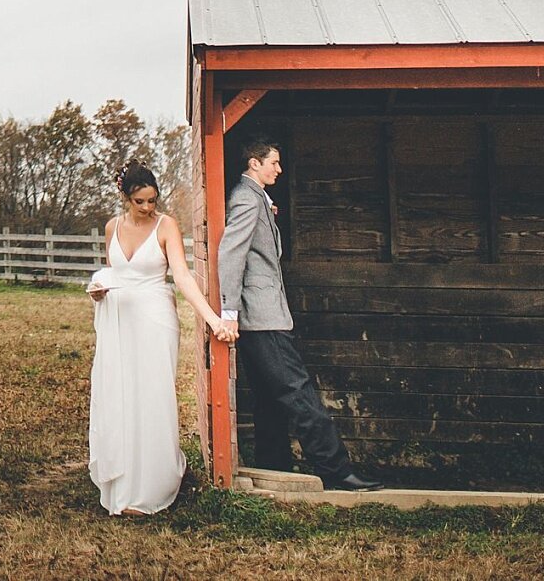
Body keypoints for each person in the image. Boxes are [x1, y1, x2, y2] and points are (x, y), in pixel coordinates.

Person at [217, 136, 383, 491]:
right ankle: (336, 471)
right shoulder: (246, 199)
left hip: (264, 313)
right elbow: (231, 254)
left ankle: (274, 467)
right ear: (254, 164)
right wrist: (228, 310)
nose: (279, 168)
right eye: (273, 162)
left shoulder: (257, 198)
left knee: (270, 396)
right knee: (298, 390)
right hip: (261, 316)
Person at [86, 163, 236, 515]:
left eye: (152, 200)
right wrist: (98, 291)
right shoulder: (112, 228)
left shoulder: (166, 226)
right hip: (118, 321)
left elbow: (182, 277)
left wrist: (214, 320)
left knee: (151, 396)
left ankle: (152, 485)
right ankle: (122, 484)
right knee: (121, 395)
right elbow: (112, 271)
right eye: (140, 201)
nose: (148, 207)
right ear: (125, 198)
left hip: (154, 320)